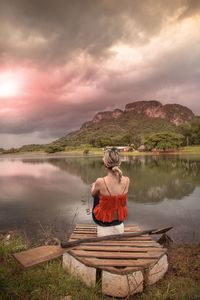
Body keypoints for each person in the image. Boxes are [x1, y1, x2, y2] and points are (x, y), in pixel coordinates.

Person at [91, 148, 130, 237]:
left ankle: (104, 218)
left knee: (96, 195)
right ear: (119, 163)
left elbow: (92, 194)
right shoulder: (127, 180)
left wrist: (93, 186)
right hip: (120, 219)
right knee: (117, 198)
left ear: (105, 164)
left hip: (102, 221)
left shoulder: (100, 181)